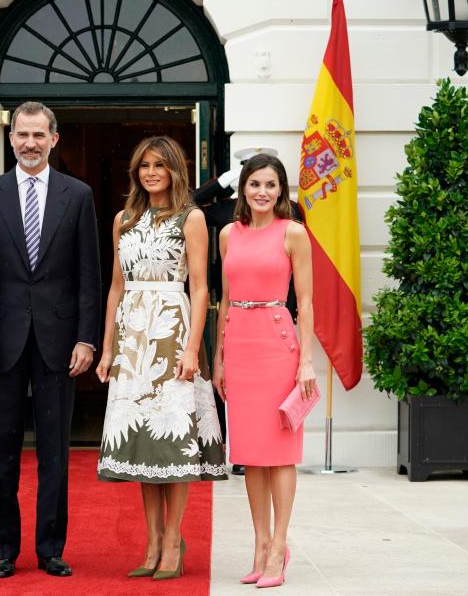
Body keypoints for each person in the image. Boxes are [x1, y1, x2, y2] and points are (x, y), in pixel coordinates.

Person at [0, 101, 100, 579]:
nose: (29, 143)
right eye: (22, 135)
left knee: (54, 452)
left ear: (54, 139)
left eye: (38, 135)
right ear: (10, 139)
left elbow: (90, 274)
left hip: (58, 341)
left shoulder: (78, 194)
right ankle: (4, 548)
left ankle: (50, 549)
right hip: (0, 345)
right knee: (1, 450)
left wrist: (87, 339)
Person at [96, 136, 226, 581]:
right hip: (132, 339)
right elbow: (115, 286)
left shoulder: (191, 218)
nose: (151, 172)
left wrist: (194, 349)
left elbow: (201, 287)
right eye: (144, 166)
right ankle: (150, 541)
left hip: (173, 332)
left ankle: (173, 539)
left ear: (175, 170)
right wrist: (109, 346)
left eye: (160, 165)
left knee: (173, 441)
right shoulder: (124, 219)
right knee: (142, 443)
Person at [212, 154, 316, 589]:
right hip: (238, 344)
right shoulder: (226, 234)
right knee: (250, 455)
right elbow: (226, 296)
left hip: (278, 344)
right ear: (243, 188)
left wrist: (306, 360)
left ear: (281, 190)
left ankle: (279, 545)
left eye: (270, 185)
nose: (262, 192)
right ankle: (258, 544)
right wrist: (218, 357)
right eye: (255, 184)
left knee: (280, 452)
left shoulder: (293, 233)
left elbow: (306, 303)